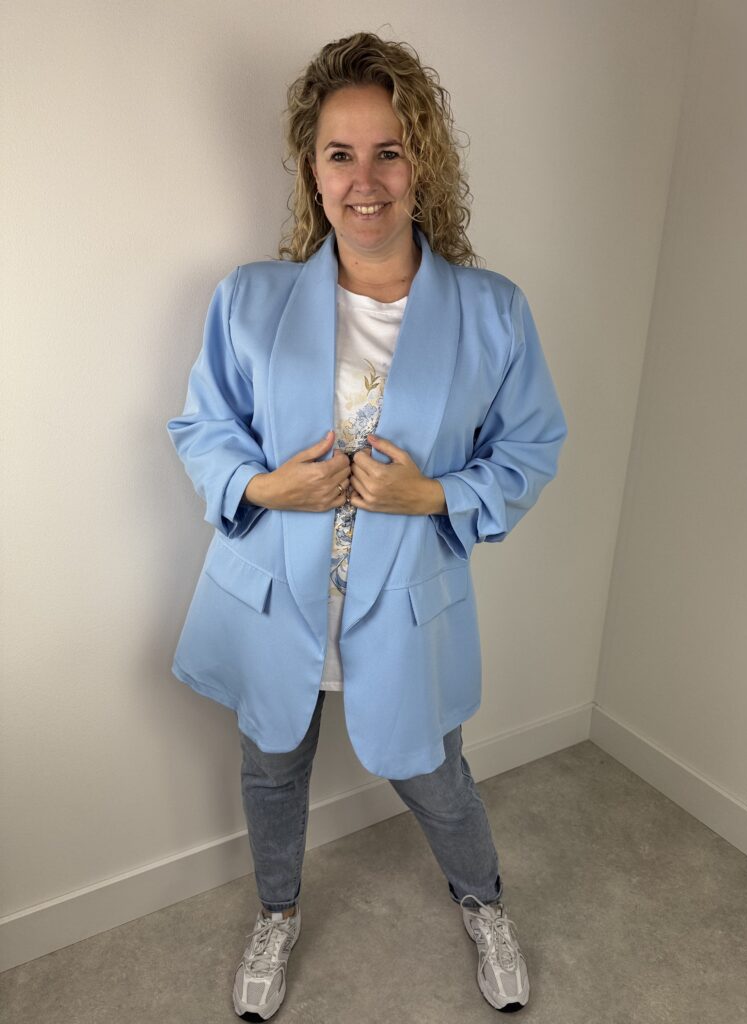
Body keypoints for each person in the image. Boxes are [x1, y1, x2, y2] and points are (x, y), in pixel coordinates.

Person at [166, 31, 567, 1021]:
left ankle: (484, 901)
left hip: (407, 609)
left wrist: (433, 497)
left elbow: (530, 446)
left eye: (389, 150)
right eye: (340, 153)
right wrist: (264, 487)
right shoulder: (249, 300)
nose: (365, 179)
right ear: (312, 170)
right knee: (271, 771)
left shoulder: (492, 313)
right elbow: (203, 428)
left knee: (439, 776)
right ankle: (277, 912)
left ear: (422, 160)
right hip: (272, 606)